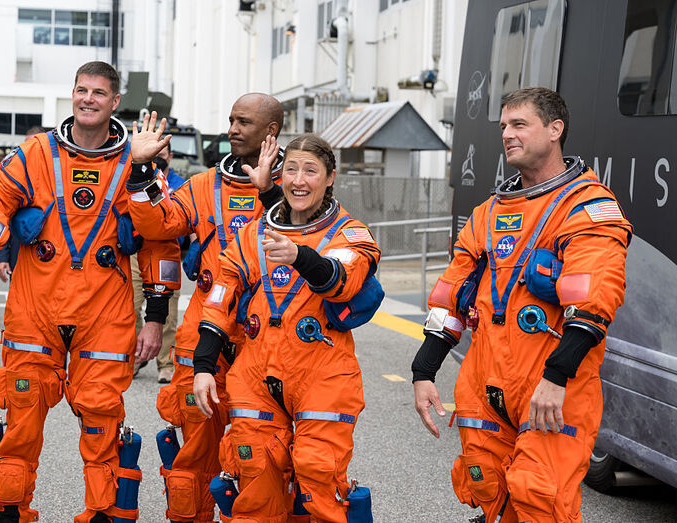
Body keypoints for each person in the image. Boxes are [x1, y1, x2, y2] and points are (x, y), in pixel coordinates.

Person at [0, 61, 179, 523]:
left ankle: (102, 514)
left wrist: (155, 317)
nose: (89, 99)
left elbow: (159, 239)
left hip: (104, 312)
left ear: (115, 101)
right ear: (72, 94)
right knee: (21, 415)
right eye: (82, 90)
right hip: (35, 307)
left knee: (102, 419)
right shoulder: (35, 154)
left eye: (99, 93)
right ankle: (10, 512)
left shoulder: (136, 163)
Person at [411, 87, 632, 522]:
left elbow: (593, 304)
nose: (507, 135)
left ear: (554, 130)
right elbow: (452, 296)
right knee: (489, 492)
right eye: (503, 127)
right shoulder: (488, 213)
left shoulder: (587, 206)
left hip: (550, 386)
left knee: (539, 497)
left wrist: (556, 377)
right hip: (483, 384)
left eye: (519, 125)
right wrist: (423, 371)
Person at [191, 134, 380, 521]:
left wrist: (301, 257)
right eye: (291, 169)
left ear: (330, 178)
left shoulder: (350, 234)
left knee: (318, 472)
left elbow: (342, 278)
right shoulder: (252, 234)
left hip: (323, 373)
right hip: (255, 374)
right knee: (254, 474)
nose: (299, 180)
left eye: (311, 171)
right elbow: (219, 301)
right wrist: (204, 367)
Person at [125, 93, 285, 523]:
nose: (232, 128)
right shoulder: (203, 185)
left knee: (259, 453)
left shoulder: (297, 184)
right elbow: (157, 223)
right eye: (231, 119)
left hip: (268, 339)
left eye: (244, 122)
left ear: (271, 131)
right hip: (205, 333)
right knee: (195, 449)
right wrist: (141, 168)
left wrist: (271, 189)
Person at [130, 139, 187, 383]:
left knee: (168, 312)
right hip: (135, 249)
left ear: (170, 156)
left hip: (168, 249)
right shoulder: (135, 176)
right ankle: (135, 356)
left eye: (162, 153)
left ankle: (165, 363)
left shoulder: (180, 184)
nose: (157, 156)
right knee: (129, 305)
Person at [0, 126, 48, 283]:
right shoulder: (15, 179)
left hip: (52, 262)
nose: (28, 150)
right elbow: (3, 216)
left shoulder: (62, 177)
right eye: (25, 145)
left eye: (33, 144)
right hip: (19, 259)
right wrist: (1, 257)